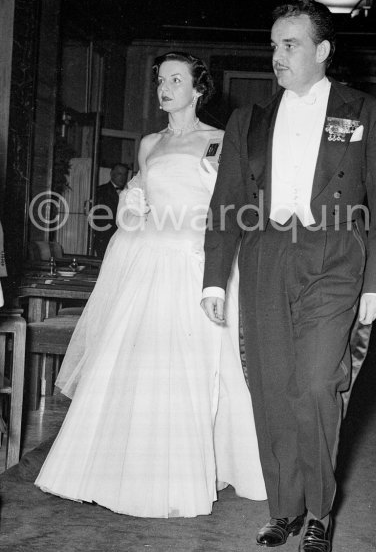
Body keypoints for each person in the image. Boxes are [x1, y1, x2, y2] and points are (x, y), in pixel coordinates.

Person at [201, 0, 376, 552]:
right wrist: (215, 279)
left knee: (316, 385)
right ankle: (283, 507)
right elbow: (226, 204)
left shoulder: (365, 111)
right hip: (266, 254)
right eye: (273, 45)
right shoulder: (249, 119)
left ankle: (319, 511)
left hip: (336, 256)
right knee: (270, 386)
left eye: (289, 45)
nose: (277, 56)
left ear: (323, 51)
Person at [35, 51, 266, 517]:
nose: (164, 87)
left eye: (175, 79)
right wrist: (129, 208)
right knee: (138, 361)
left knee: (201, 364)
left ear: (198, 89)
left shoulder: (220, 141)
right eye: (160, 79)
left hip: (196, 261)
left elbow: (238, 205)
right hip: (149, 259)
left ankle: (198, 470)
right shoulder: (148, 144)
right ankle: (125, 471)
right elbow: (137, 198)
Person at [92, 163, 129, 258]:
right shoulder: (100, 191)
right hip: (105, 239)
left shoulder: (129, 193)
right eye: (119, 174)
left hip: (123, 239)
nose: (123, 177)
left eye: (125, 174)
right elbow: (94, 217)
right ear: (112, 174)